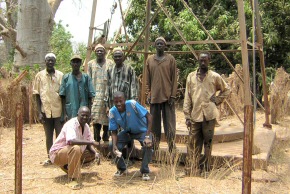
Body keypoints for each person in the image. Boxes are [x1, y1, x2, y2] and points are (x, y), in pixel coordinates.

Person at [183, 52, 231, 175]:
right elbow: (187, 97)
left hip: (209, 115)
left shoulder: (214, 76)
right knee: (193, 143)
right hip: (195, 115)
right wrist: (187, 116)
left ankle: (206, 168)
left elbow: (227, 89)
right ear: (198, 61)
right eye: (201, 60)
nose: (203, 63)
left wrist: (217, 99)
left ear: (209, 61)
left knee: (207, 144)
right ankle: (191, 168)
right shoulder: (191, 77)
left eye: (205, 60)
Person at [49, 106, 100, 190]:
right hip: (57, 154)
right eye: (82, 115)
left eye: (87, 116)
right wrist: (91, 142)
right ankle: (73, 179)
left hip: (69, 153)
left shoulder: (86, 127)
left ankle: (67, 167)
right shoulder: (71, 124)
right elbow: (71, 141)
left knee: (91, 153)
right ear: (77, 115)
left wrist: (95, 153)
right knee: (76, 148)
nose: (85, 117)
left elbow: (88, 144)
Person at [109, 91, 153, 181]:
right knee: (111, 145)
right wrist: (114, 146)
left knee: (147, 145)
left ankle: (144, 171)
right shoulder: (112, 112)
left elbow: (149, 117)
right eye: (116, 102)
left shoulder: (132, 104)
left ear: (125, 100)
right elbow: (114, 132)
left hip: (142, 131)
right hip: (127, 132)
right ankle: (122, 168)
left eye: (121, 101)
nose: (118, 104)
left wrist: (148, 136)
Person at [146, 36, 177, 153]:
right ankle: (154, 146)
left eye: (161, 44)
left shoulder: (170, 59)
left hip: (168, 97)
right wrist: (148, 94)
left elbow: (174, 79)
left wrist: (173, 95)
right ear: (155, 46)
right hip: (154, 97)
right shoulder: (149, 60)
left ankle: (171, 146)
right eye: (157, 44)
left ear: (165, 46)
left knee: (170, 123)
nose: (159, 45)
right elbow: (147, 79)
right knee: (154, 124)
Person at [33, 53, 63, 166]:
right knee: (48, 136)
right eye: (48, 60)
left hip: (58, 110)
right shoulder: (39, 76)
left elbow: (63, 95)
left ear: (55, 62)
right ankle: (50, 158)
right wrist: (39, 112)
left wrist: (64, 112)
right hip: (45, 111)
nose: (50, 62)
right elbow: (36, 94)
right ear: (45, 62)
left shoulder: (60, 75)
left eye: (52, 60)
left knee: (60, 136)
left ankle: (60, 157)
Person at [88, 44, 114, 143]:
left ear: (105, 52)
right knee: (95, 118)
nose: (99, 52)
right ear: (95, 52)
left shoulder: (110, 63)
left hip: (107, 94)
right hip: (95, 96)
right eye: (97, 51)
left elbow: (112, 79)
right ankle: (96, 138)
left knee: (107, 117)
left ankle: (106, 137)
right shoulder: (91, 64)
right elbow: (89, 79)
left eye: (101, 51)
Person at [59, 54, 95, 122]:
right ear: (70, 63)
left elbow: (90, 97)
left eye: (77, 62)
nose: (75, 64)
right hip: (70, 111)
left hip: (84, 112)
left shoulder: (86, 78)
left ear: (81, 63)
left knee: (83, 130)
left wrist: (89, 113)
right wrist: (64, 114)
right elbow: (62, 97)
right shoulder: (66, 78)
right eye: (74, 62)